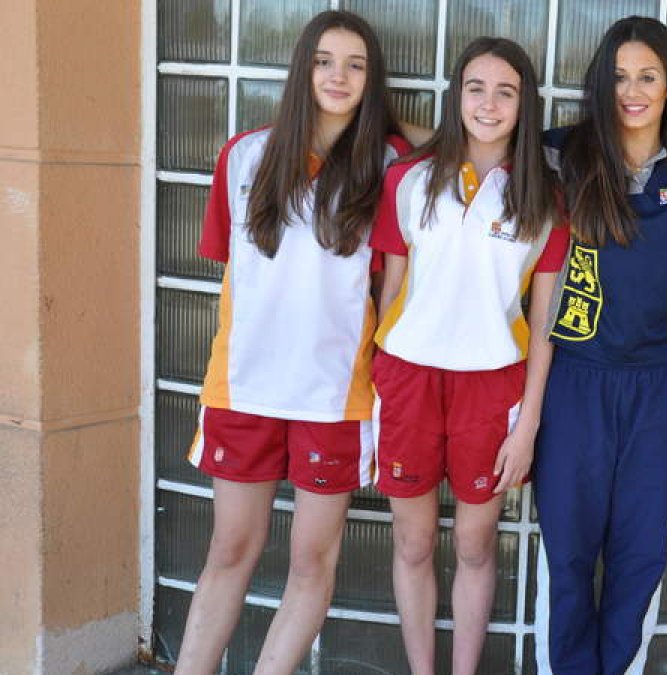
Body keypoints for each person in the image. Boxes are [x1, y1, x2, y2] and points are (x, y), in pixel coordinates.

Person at [176, 10, 410, 675]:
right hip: (243, 384)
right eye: (325, 61)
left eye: (356, 65)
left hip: (334, 396)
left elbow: (455, 144)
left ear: (373, 81)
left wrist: (399, 128)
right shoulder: (244, 155)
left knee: (313, 563)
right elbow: (232, 270)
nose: (338, 76)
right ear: (302, 68)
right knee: (230, 550)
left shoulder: (389, 169)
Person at [531, 16, 667, 675]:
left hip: (658, 387)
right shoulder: (562, 155)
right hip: (574, 380)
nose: (632, 91)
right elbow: (471, 138)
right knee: (569, 552)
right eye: (618, 77)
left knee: (641, 554)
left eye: (647, 76)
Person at [370, 37, 566, 675]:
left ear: (523, 105)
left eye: (505, 91)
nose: (488, 104)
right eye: (476, 88)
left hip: (493, 385)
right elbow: (390, 290)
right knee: (414, 539)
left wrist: (529, 422)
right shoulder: (407, 179)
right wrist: (376, 384)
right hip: (409, 377)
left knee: (477, 544)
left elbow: (544, 325)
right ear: (456, 96)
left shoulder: (544, 199)